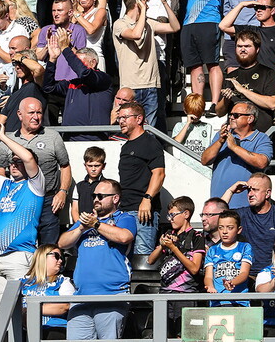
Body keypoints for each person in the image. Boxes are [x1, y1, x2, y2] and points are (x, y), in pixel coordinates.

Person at [0, 123, 45, 310]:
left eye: (17, 161)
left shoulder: (35, 184)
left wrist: (3, 138)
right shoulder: (5, 184)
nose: (13, 164)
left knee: (22, 310)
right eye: (11, 161)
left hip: (19, 256)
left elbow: (28, 157)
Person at [57, 179, 135, 340]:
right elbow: (62, 243)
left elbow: (124, 236)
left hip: (112, 297)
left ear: (115, 198)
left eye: (101, 195)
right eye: (94, 195)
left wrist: (96, 224)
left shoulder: (124, 218)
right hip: (81, 298)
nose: (96, 199)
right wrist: (80, 227)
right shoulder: (84, 222)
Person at [0, 97, 70, 246]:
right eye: (31, 112)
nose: (36, 117)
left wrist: (62, 192)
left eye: (39, 112)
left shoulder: (53, 137)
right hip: (19, 200)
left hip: (47, 201)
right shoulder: (7, 140)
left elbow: (65, 166)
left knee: (47, 248)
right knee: (19, 245)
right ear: (20, 115)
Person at [146, 196, 206, 337]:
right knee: (163, 335)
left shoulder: (197, 237)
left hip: (186, 295)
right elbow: (150, 260)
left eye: (173, 215)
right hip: (165, 294)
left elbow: (194, 268)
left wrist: (173, 248)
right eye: (169, 215)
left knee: (183, 335)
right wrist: (162, 245)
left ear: (186, 214)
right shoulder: (168, 234)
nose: (170, 219)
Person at [116, 101, 165, 255]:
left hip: (143, 212)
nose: (121, 121)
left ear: (139, 119)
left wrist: (147, 199)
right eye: (119, 118)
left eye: (125, 117)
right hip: (125, 210)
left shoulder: (150, 143)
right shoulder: (126, 146)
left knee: (142, 255)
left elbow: (159, 173)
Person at [201, 101, 272, 208]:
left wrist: (234, 147)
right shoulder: (221, 136)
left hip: (246, 207)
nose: (231, 118)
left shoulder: (261, 138)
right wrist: (220, 141)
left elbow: (262, 162)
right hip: (220, 204)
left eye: (236, 115)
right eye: (230, 115)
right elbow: (204, 160)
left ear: (250, 119)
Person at [222, 173, 275, 276]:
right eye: (248, 190)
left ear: (267, 193)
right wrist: (230, 191)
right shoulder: (242, 214)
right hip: (245, 275)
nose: (250, 194)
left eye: (255, 190)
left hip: (273, 273)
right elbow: (217, 215)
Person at [19, 245, 75, 339]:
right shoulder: (21, 282)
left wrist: (28, 310)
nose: (60, 261)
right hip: (25, 329)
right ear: (42, 257)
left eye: (61, 258)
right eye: (56, 256)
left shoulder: (63, 281)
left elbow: (63, 306)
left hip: (54, 328)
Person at [203, 210, 252, 306]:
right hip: (217, 302)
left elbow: (244, 273)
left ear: (239, 230)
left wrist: (232, 282)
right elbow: (208, 276)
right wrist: (210, 287)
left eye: (230, 228)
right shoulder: (213, 250)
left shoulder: (245, 247)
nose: (224, 232)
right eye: (221, 228)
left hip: (239, 301)